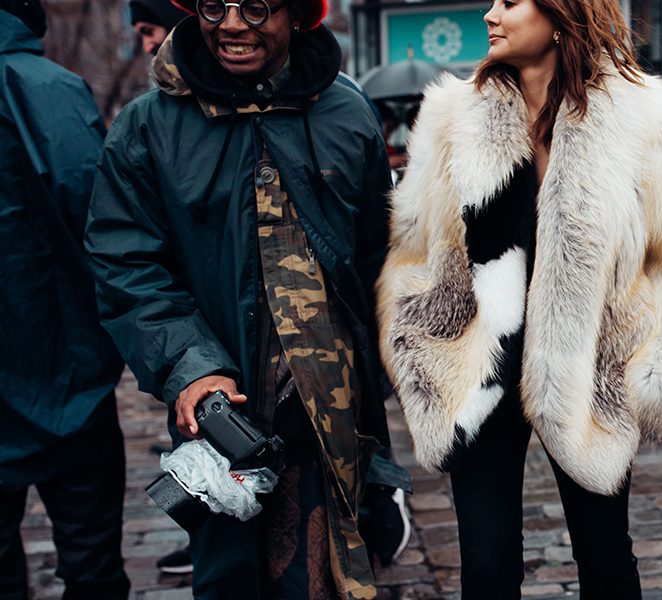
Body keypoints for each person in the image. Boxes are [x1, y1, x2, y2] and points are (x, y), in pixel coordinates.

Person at [376, 0, 662, 596]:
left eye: (510, 2)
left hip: (589, 365)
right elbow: (411, 250)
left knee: (606, 559)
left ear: (562, 14)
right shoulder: (452, 116)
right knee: (487, 568)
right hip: (478, 364)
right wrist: (419, 350)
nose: (490, 15)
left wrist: (660, 371)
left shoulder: (640, 116)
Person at [86, 0, 397, 597]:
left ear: (298, 15)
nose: (231, 24)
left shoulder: (347, 113)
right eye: (214, 5)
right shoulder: (147, 127)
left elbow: (379, 259)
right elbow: (126, 265)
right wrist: (192, 367)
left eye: (255, 7)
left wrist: (379, 375)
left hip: (331, 423)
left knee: (324, 577)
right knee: (232, 581)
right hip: (220, 419)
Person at [0, 2, 130, 598]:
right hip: (69, 370)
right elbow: (103, 223)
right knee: (92, 558)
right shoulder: (53, 90)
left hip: (56, 362)